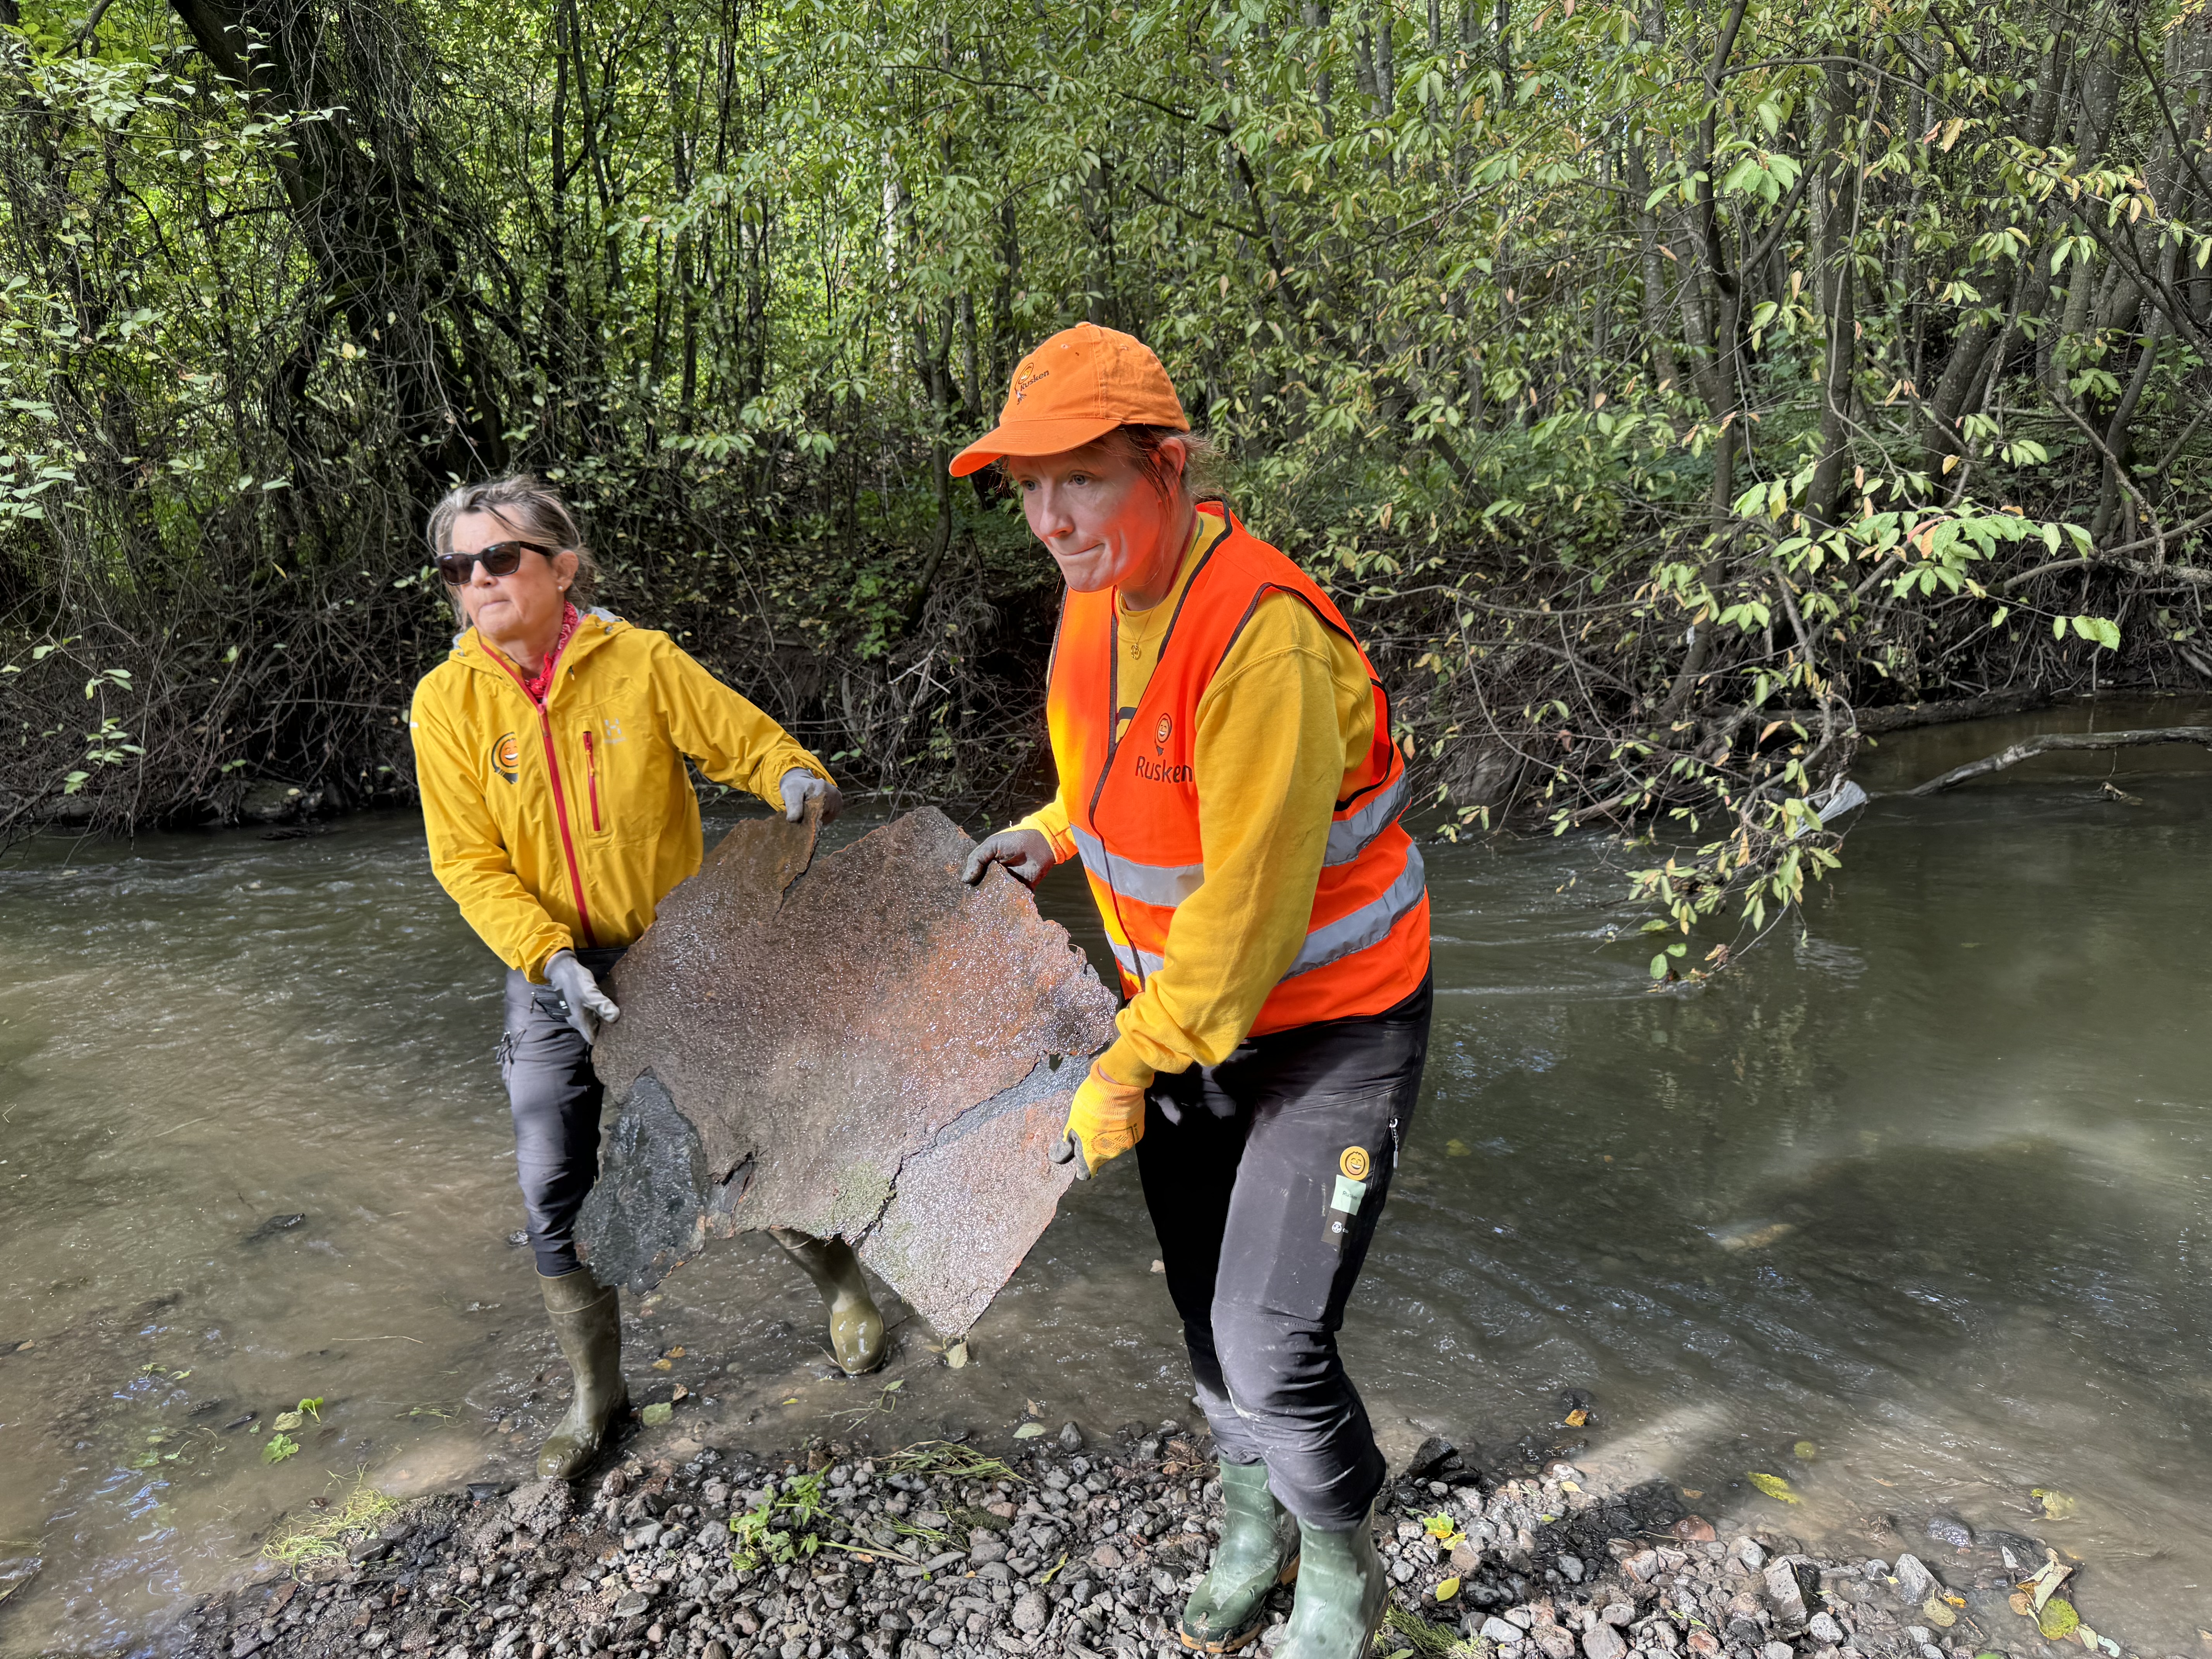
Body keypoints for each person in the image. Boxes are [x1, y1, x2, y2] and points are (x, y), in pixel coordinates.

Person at [957, 326, 1431, 1659]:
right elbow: (1123, 783)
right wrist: (1050, 833)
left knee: (1272, 1338)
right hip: (1189, 1027)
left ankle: (1341, 1561)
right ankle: (1253, 1518)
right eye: (1028, 489)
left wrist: (1125, 1063)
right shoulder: (1099, 599)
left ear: (1167, 467)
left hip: (1329, 1025)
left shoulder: (1260, 636)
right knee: (1201, 1306)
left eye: (1083, 482)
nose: (1052, 520)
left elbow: (1250, 909)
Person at [408, 474, 886, 1480]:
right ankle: (598, 1395)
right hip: (547, 969)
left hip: (677, 952)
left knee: (743, 1142)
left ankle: (845, 1291)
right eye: (460, 565)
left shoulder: (641, 663)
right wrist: (549, 958)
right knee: (554, 1181)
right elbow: (467, 862)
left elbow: (740, 738)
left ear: (561, 566)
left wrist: (792, 774)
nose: (478, 578)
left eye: (500, 557)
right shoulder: (446, 704)